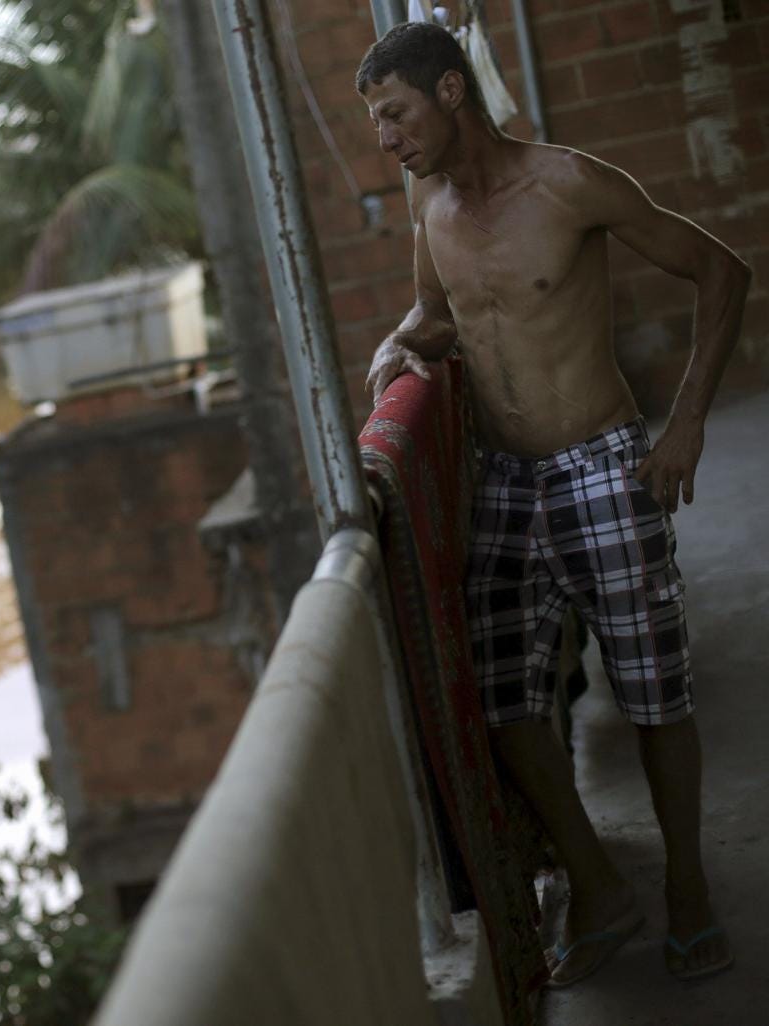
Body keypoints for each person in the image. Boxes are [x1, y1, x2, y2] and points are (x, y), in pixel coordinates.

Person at [356, 22, 750, 987]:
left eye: (395, 116)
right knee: (502, 703)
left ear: (452, 92)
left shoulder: (568, 183)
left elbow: (721, 271)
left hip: (603, 465)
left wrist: (686, 427)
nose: (387, 141)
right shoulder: (429, 207)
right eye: (375, 124)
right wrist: (399, 344)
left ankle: (690, 891)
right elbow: (442, 313)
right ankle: (597, 883)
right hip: (504, 483)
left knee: (655, 693)